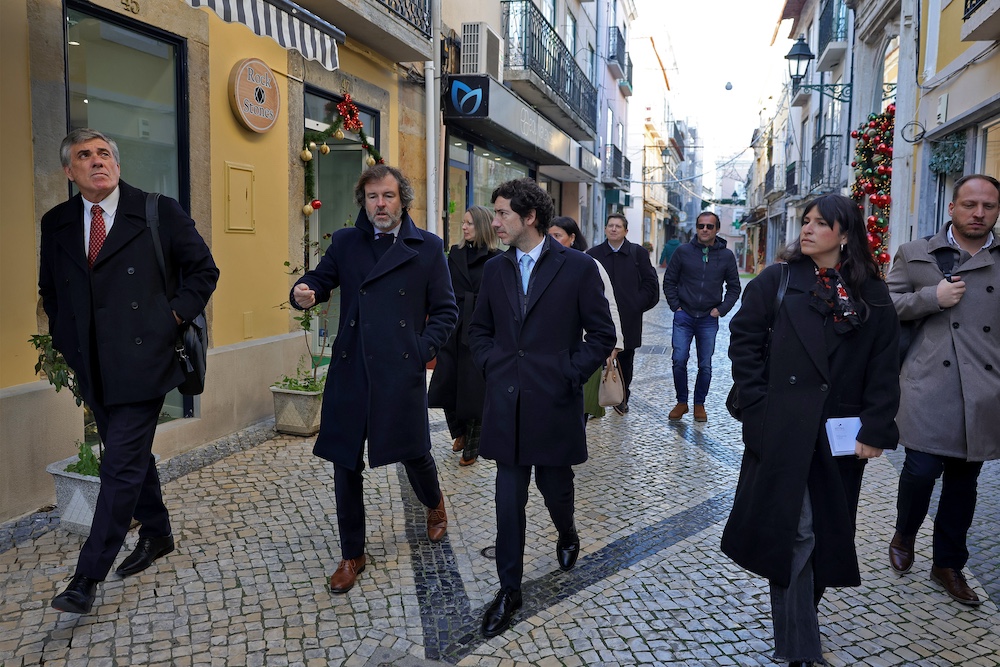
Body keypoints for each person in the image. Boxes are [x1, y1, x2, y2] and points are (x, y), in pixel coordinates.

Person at [40, 128, 220, 615]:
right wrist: (66, 342)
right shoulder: (56, 222)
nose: (97, 161)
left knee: (118, 462)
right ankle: (158, 533)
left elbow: (205, 270)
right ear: (69, 171)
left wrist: (171, 318)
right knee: (133, 456)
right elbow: (51, 292)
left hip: (146, 359)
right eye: (84, 155)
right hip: (91, 364)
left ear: (116, 165)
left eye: (104, 154)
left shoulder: (157, 211)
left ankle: (86, 577)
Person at [722, 194, 900, 666]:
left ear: (845, 234)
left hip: (840, 435)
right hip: (782, 428)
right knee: (795, 532)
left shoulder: (872, 294)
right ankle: (802, 649)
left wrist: (876, 428)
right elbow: (743, 344)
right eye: (806, 221)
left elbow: (884, 367)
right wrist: (759, 407)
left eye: (821, 223)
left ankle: (800, 618)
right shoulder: (776, 280)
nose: (808, 229)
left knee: (823, 533)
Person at [291, 164, 458, 594]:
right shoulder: (347, 242)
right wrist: (303, 291)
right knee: (345, 462)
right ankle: (352, 554)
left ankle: (435, 505)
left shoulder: (428, 248)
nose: (379, 205)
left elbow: (446, 312)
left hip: (398, 369)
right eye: (371, 197)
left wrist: (420, 352)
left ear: (402, 198)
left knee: (414, 452)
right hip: (350, 369)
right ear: (362, 202)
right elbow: (320, 279)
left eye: (387, 196)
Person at [468, 179, 615, 638]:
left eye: (502, 214)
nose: (495, 222)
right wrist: (495, 365)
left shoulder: (577, 268)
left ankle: (567, 532)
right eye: (495, 214)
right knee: (507, 501)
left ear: (529, 217)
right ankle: (509, 589)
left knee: (555, 489)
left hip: (553, 403)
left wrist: (568, 373)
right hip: (507, 405)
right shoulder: (495, 270)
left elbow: (603, 336)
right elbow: (479, 333)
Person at [885, 174, 1000, 606]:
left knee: (963, 484)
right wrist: (932, 297)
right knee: (919, 470)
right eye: (970, 204)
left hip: (984, 388)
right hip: (928, 383)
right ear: (952, 208)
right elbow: (887, 307)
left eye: (988, 206)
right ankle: (905, 531)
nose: (979, 213)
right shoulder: (917, 254)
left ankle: (948, 565)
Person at [427, 205, 501, 466]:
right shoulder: (454, 254)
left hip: (480, 327)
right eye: (464, 223)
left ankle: (472, 445)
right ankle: (458, 432)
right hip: (453, 323)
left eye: (469, 223)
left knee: (474, 388)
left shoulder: (497, 257)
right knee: (446, 381)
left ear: (481, 225)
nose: (464, 227)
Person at [662, 211, 740, 422]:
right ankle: (681, 402)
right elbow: (669, 281)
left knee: (705, 364)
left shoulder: (726, 256)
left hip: (708, 318)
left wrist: (720, 309)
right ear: (696, 228)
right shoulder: (683, 252)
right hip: (684, 316)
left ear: (716, 229)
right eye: (701, 226)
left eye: (709, 226)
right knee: (679, 360)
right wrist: (675, 306)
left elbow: (734, 288)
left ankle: (699, 404)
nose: (705, 230)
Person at [548, 216, 624, 419]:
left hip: (582, 350)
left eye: (557, 235)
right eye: (549, 236)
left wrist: (615, 345)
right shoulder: (543, 265)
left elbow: (609, 304)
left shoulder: (589, 264)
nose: (552, 240)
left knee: (579, 410)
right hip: (551, 351)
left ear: (572, 238)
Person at [586, 213, 659, 415]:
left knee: (625, 360)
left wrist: (636, 304)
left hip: (628, 318)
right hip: (600, 316)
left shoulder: (638, 254)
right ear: (605, 229)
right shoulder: (593, 254)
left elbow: (650, 284)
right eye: (610, 225)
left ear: (626, 231)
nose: (614, 229)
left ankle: (622, 397)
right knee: (595, 358)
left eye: (618, 226)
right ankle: (595, 401)